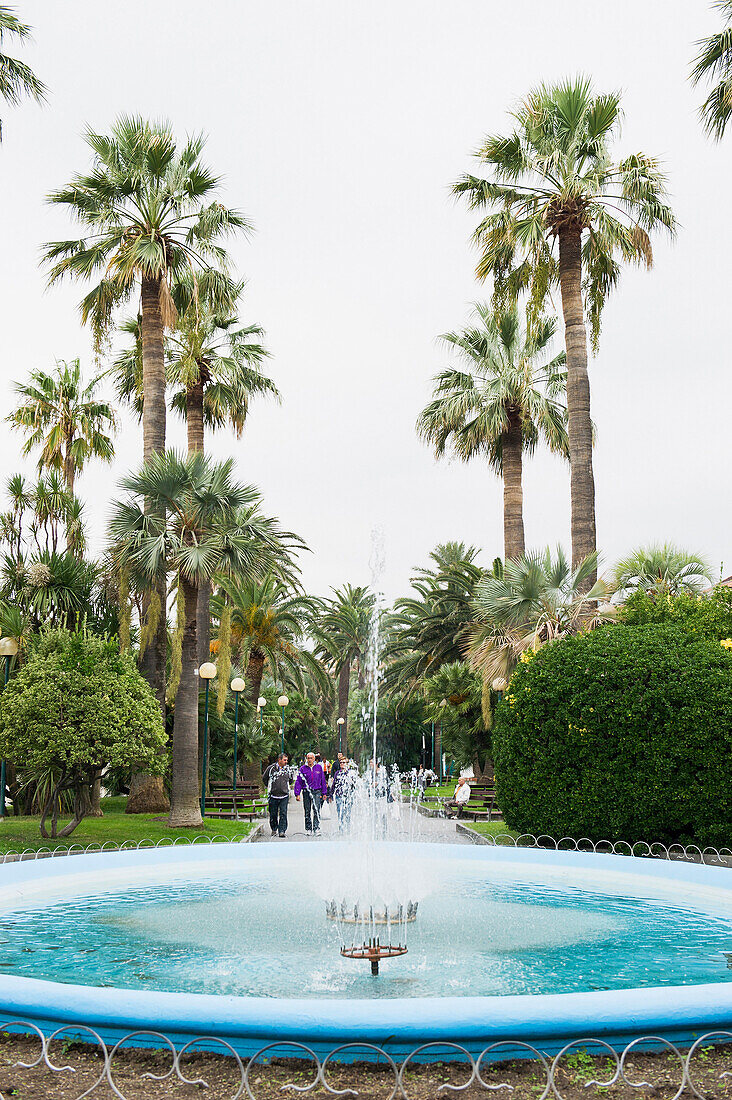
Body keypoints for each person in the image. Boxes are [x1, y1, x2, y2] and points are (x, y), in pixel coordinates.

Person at [294, 751, 328, 835]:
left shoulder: (318, 768)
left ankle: (316, 828)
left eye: (311, 758)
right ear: (306, 759)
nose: (309, 760)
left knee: (316, 809)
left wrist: (324, 793)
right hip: (306, 792)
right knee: (307, 810)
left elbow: (322, 780)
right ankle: (308, 828)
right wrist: (297, 793)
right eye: (308, 758)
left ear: (314, 759)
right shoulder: (303, 768)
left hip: (317, 791)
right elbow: (298, 781)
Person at [263, 752, 290, 837]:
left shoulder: (288, 769)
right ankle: (274, 829)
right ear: (279, 760)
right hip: (273, 796)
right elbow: (264, 778)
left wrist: (285, 787)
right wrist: (270, 787)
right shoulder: (271, 768)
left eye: (287, 760)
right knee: (273, 813)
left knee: (283, 813)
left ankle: (282, 830)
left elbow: (291, 779)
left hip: (284, 796)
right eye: (284, 760)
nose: (286, 762)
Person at [330, 759, 353, 831]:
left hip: (348, 796)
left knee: (347, 814)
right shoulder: (337, 773)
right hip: (339, 796)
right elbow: (334, 784)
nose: (342, 764)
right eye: (341, 763)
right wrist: (330, 794)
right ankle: (341, 830)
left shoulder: (350, 773)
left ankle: (347, 830)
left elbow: (354, 785)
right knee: (340, 814)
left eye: (344, 762)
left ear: (347, 764)